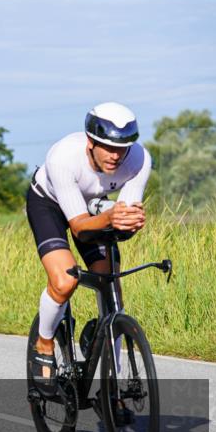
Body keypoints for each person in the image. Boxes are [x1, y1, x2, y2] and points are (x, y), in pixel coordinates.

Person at [26, 102, 150, 407]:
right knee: (64, 281)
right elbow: (80, 228)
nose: (116, 156)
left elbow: (123, 216)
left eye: (123, 148)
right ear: (90, 142)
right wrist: (111, 219)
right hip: (50, 205)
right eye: (108, 147)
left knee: (111, 289)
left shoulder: (141, 159)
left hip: (94, 207)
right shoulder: (63, 158)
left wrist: (129, 224)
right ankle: (44, 344)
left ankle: (112, 387)